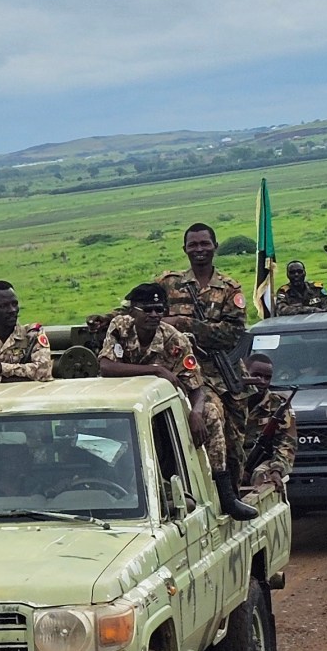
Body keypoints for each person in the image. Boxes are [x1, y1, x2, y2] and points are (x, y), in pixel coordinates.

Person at [99, 282, 254, 520]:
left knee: (211, 413)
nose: (153, 315)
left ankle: (226, 494)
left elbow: (196, 386)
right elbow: (107, 366)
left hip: (165, 404)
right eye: (147, 309)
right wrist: (155, 371)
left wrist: (196, 413)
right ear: (133, 311)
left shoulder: (175, 340)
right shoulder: (120, 328)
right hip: (126, 402)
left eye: (159, 310)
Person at [158, 223, 254, 517]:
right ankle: (219, 495)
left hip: (223, 372)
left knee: (236, 440)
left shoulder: (229, 288)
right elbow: (140, 309)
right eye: (193, 244)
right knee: (211, 419)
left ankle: (233, 492)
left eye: (204, 244)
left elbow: (233, 335)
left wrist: (186, 324)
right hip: (186, 370)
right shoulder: (169, 283)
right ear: (184, 249)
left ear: (215, 246)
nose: (199, 249)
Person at [240, 353, 297, 496]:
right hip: (233, 462)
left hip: (262, 462)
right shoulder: (230, 401)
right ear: (245, 373)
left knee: (263, 476)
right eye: (257, 376)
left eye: (267, 378)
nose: (262, 381)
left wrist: (277, 470)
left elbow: (287, 444)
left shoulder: (278, 405)